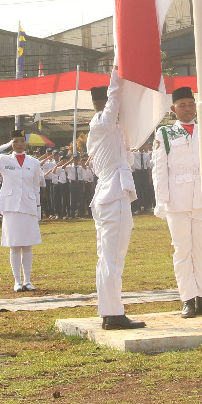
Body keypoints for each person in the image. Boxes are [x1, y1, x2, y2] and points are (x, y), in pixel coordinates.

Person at [86, 71, 146, 330]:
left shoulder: (112, 131)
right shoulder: (101, 123)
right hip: (113, 193)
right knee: (113, 256)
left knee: (107, 256)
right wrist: (118, 66)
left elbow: (128, 157)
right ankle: (112, 313)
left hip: (109, 193)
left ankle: (109, 310)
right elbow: (113, 97)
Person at [152, 87, 202, 318]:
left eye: (190, 104)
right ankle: (187, 299)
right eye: (182, 105)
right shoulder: (165, 134)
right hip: (176, 200)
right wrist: (161, 200)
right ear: (173, 109)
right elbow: (159, 169)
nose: (187, 109)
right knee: (182, 251)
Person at [0, 130, 45, 292]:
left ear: (25, 143)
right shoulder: (4, 160)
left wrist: (38, 207)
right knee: (15, 245)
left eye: (22, 141)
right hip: (11, 206)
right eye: (15, 141)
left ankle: (28, 280)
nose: (19, 144)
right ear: (11, 143)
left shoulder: (33, 162)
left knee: (28, 245)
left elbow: (35, 186)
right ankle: (17, 281)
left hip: (28, 205)